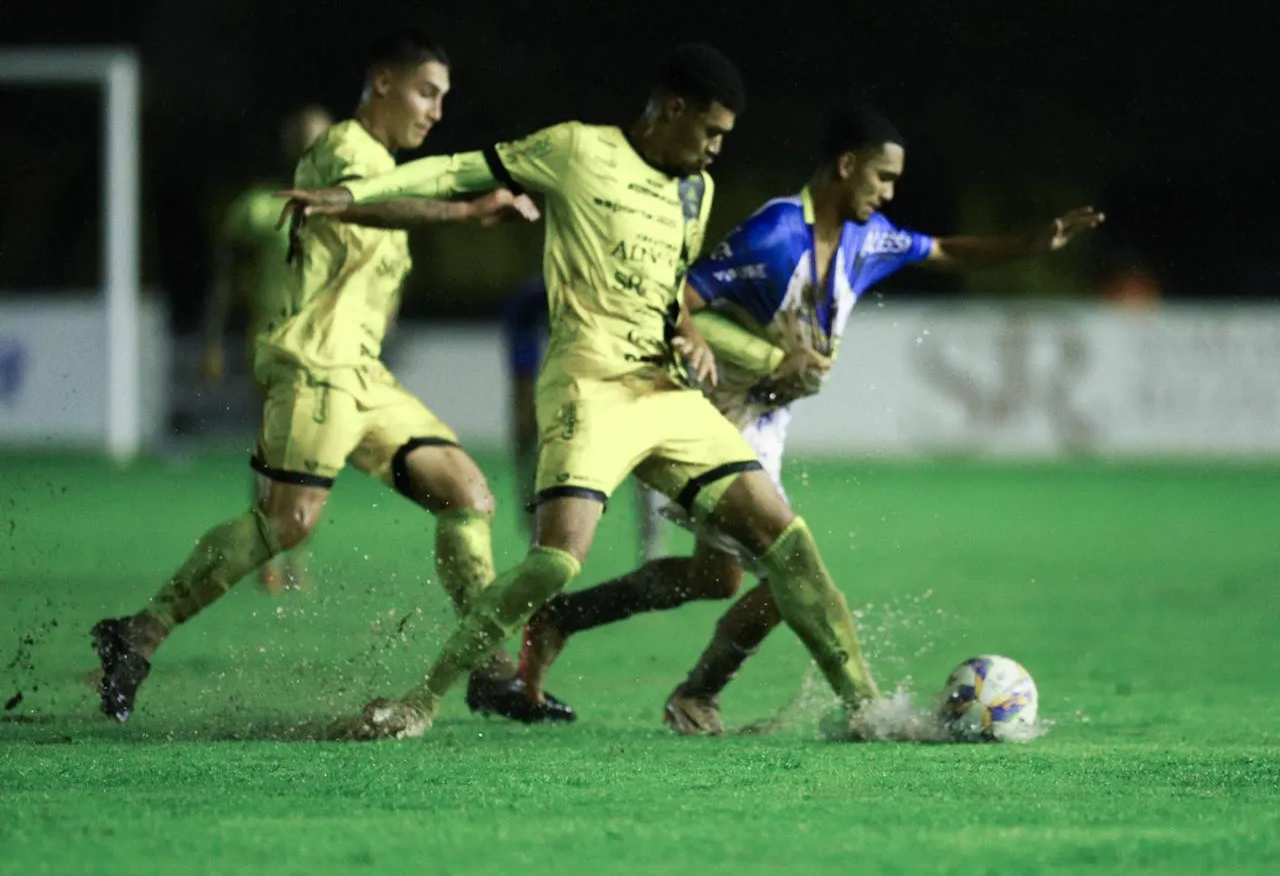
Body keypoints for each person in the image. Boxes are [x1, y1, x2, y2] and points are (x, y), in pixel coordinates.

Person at [282, 43, 885, 741]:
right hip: (589, 389)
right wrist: (350, 194)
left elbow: (670, 299)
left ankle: (866, 708)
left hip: (666, 393)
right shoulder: (573, 150)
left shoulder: (696, 190)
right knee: (552, 564)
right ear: (673, 110)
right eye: (712, 131)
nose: (718, 149)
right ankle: (420, 703)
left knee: (788, 543)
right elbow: (455, 170)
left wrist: (693, 334)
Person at [516, 105, 1103, 735]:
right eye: (882, 177)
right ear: (846, 166)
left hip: (767, 423)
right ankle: (720, 697)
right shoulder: (774, 237)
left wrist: (1028, 246)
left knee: (715, 578)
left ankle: (561, 620)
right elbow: (677, 297)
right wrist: (741, 352)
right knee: (790, 572)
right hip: (719, 415)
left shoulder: (865, 238)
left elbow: (945, 251)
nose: (889, 193)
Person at [89, 28, 570, 726]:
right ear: (382, 83)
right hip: (315, 368)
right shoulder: (346, 149)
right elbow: (360, 202)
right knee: (287, 522)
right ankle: (137, 634)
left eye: (443, 98)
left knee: (468, 495)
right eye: (425, 92)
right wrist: (465, 211)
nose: (436, 110)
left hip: (364, 380)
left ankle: (492, 671)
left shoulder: (384, 163)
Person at [202, 104, 333, 593]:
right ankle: (272, 556)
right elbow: (223, 279)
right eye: (303, 139)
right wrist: (213, 339)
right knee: (275, 453)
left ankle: (293, 553)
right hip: (272, 347)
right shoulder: (257, 207)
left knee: (312, 459)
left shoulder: (344, 209)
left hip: (326, 352)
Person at [502, 275, 667, 563]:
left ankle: (652, 542)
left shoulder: (626, 294)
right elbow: (523, 383)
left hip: (617, 373)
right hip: (562, 379)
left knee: (644, 439)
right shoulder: (531, 302)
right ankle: (539, 538)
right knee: (531, 431)